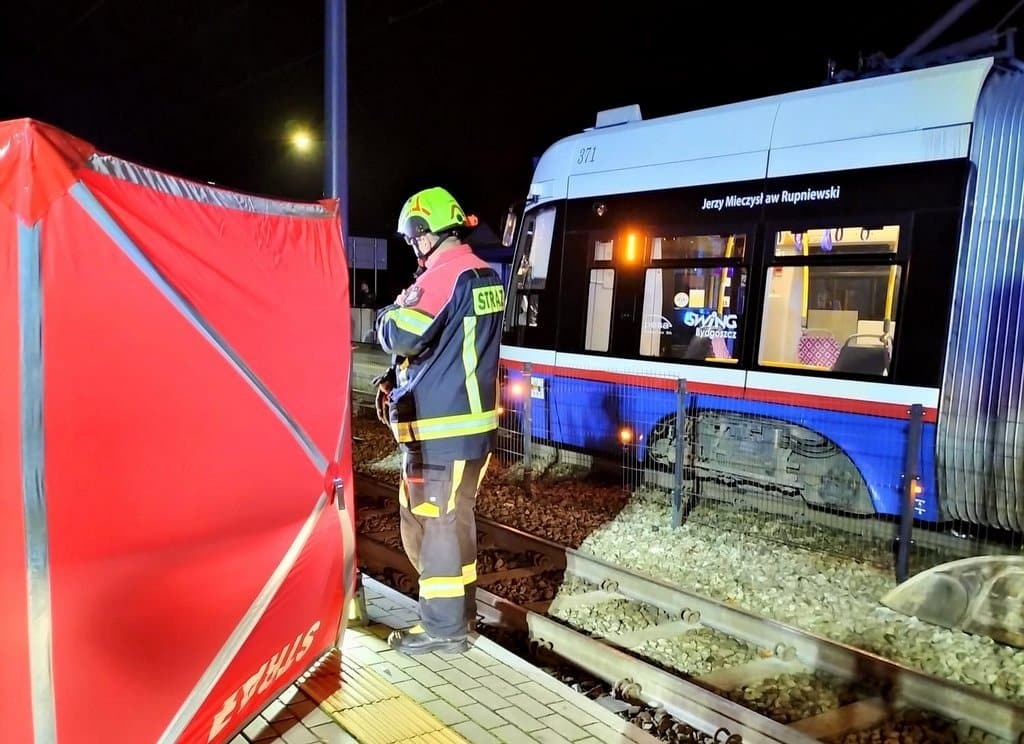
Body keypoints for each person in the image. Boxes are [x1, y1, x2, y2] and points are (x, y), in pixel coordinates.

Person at [373, 186, 505, 655]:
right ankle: (460, 617)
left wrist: (387, 314)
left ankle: (443, 630)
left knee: (434, 525)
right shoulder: (485, 275)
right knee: (457, 518)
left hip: (438, 432)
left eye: (412, 240)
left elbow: (403, 334)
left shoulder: (444, 276)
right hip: (473, 427)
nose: (413, 249)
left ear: (424, 234)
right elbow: (447, 345)